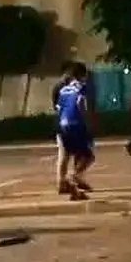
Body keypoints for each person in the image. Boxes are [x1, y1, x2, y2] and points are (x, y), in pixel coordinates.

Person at [56, 62, 95, 197]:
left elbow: (59, 109)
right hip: (76, 124)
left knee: (64, 155)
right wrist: (87, 121)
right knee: (88, 156)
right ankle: (74, 176)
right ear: (83, 75)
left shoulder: (63, 90)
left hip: (62, 124)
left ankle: (63, 183)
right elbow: (80, 103)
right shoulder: (82, 87)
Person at [52, 61, 74, 194]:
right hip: (64, 125)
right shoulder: (60, 87)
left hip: (70, 124)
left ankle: (67, 181)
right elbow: (57, 107)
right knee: (64, 154)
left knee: (68, 154)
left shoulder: (70, 86)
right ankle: (61, 182)